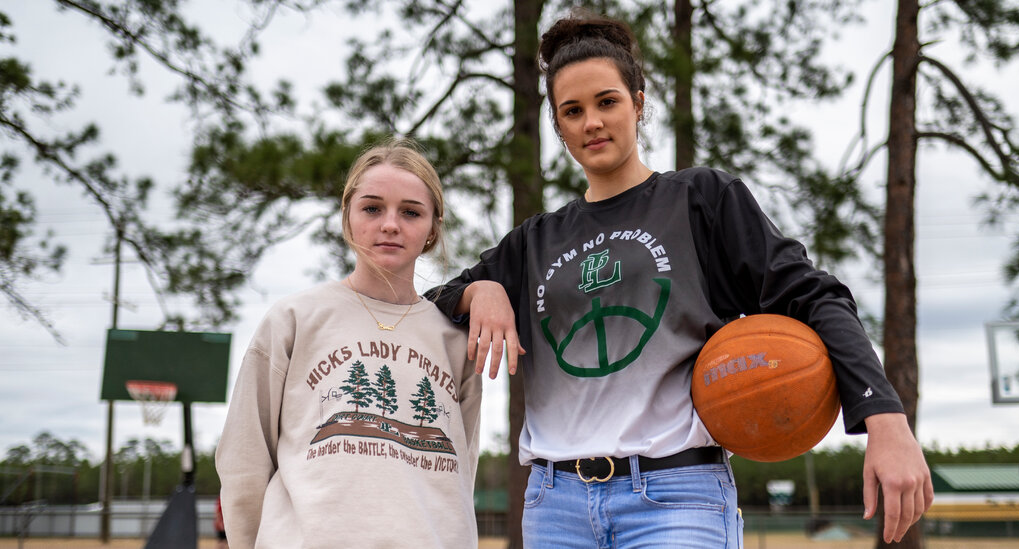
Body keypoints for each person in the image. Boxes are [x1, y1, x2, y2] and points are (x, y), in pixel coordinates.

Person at [426, 11, 932, 548]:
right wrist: (480, 290)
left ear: (638, 103)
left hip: (675, 495)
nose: (591, 122)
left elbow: (815, 295)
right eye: (571, 111)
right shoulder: (534, 242)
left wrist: (883, 417)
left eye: (607, 101)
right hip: (556, 505)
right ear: (558, 125)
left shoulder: (700, 201)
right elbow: (434, 304)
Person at [216, 138, 482, 548]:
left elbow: (461, 472)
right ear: (348, 217)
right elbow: (243, 462)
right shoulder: (294, 320)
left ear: (432, 229)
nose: (390, 224)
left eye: (411, 212)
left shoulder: (454, 339)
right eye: (372, 208)